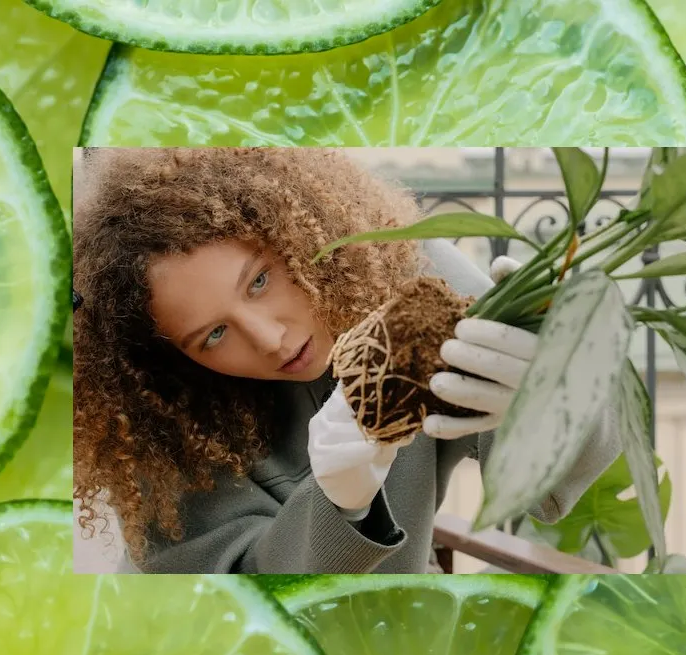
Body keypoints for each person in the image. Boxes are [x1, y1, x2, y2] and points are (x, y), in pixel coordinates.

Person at [71, 147, 621, 574]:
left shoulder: (404, 277)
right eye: (213, 334)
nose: (269, 339)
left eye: (259, 281)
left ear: (290, 226)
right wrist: (342, 507)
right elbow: (240, 608)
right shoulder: (154, 421)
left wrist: (554, 389)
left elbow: (548, 485)